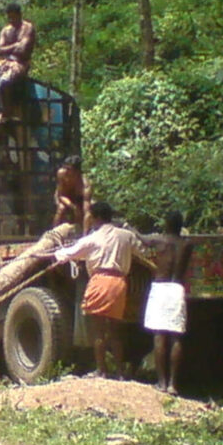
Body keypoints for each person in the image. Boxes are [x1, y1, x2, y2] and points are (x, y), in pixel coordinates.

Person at [53, 202, 147, 379]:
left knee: (98, 331)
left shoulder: (92, 238)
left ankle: (102, 370)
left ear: (95, 218)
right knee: (115, 330)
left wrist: (58, 252)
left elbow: (66, 254)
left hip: (99, 281)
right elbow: (142, 251)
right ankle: (119, 372)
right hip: (119, 283)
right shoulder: (126, 236)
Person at [137, 211, 193, 395]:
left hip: (161, 288)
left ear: (167, 224)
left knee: (159, 336)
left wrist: (130, 228)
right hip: (177, 289)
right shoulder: (187, 244)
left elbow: (142, 239)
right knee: (176, 336)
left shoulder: (160, 240)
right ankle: (173, 384)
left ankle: (161, 383)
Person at [0, 3, 36, 124]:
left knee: (5, 81)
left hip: (21, 63)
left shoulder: (28, 28)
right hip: (5, 61)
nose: (11, 20)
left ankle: (7, 111)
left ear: (20, 15)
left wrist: (8, 49)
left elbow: (23, 49)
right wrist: (15, 45)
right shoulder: (6, 30)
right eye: (9, 18)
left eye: (14, 17)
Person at [53, 155, 93, 233]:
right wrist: (73, 207)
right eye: (65, 168)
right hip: (64, 196)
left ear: (76, 171)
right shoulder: (61, 174)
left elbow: (87, 211)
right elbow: (61, 195)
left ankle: (84, 233)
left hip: (78, 199)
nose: (66, 171)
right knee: (61, 208)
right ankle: (53, 233)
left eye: (69, 169)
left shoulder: (85, 185)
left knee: (88, 211)